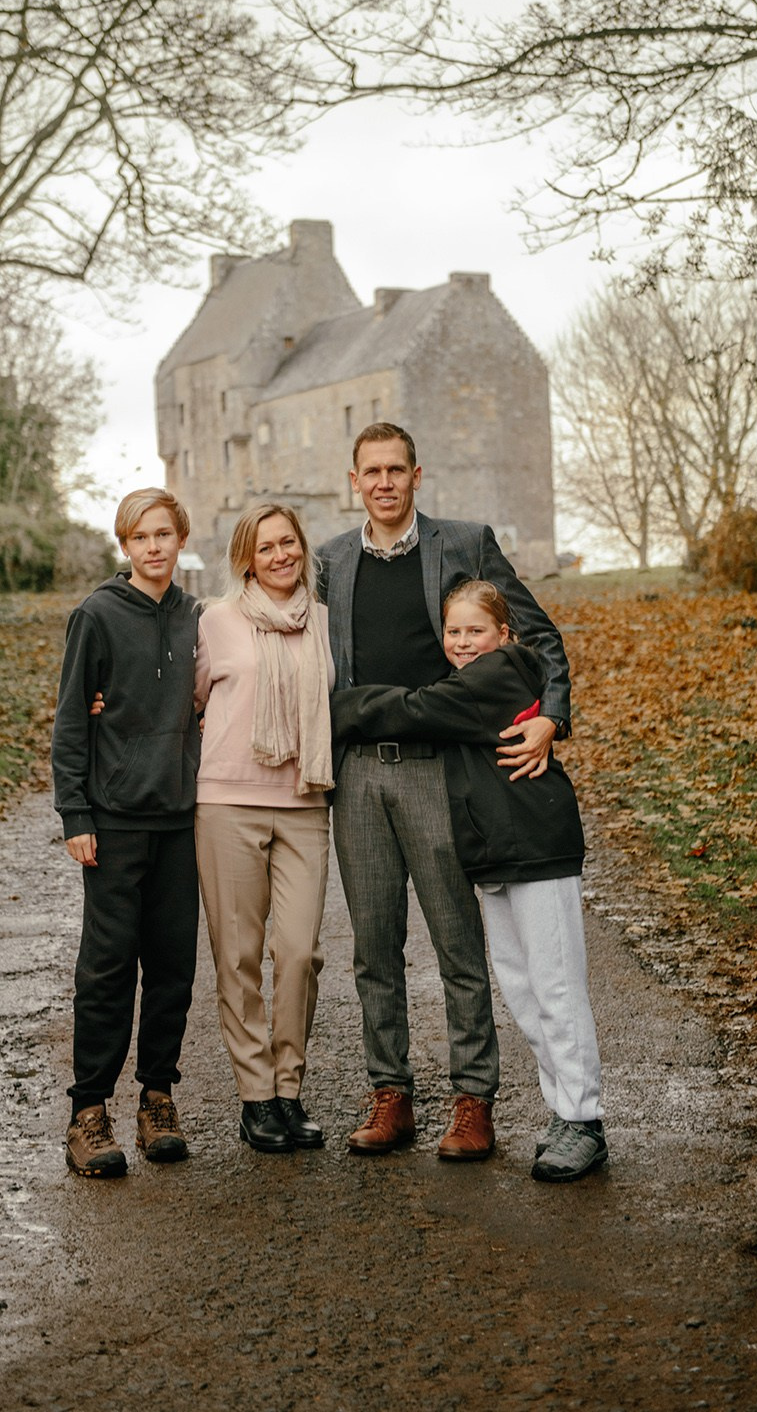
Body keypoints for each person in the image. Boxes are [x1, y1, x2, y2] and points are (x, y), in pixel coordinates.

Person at [319, 422, 572, 1161]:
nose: (384, 482)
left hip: (440, 768)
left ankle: (472, 1100)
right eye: (371, 472)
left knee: (458, 942)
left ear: (416, 475)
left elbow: (538, 635)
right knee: (374, 945)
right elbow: (286, 644)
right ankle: (390, 1093)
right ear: (354, 481)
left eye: (396, 470)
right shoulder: (330, 561)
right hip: (359, 774)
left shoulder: (463, 543)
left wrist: (551, 717)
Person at [332, 579, 607, 1183]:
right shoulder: (473, 676)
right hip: (499, 853)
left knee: (555, 986)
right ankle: (564, 1110)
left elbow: (412, 710)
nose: (462, 642)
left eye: (475, 630)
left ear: (503, 634)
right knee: (523, 989)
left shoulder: (498, 673)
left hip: (537, 846)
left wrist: (330, 708)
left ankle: (583, 1119)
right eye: (453, 631)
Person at [51, 488, 201, 1178]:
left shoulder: (198, 617)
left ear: (180, 539)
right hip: (113, 820)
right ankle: (88, 1110)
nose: (153, 547)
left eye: (163, 534)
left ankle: (157, 1099)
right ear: (124, 545)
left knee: (172, 966)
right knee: (108, 967)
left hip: (180, 819)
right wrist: (75, 813)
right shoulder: (97, 615)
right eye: (140, 536)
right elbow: (71, 719)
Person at [194, 503, 335, 1153]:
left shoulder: (325, 622)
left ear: (302, 548)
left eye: (289, 543)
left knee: (300, 952)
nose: (281, 555)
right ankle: (257, 1097)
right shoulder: (215, 621)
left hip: (305, 802)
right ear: (246, 560)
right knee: (239, 955)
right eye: (266, 547)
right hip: (228, 803)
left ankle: (288, 1088)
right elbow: (187, 700)